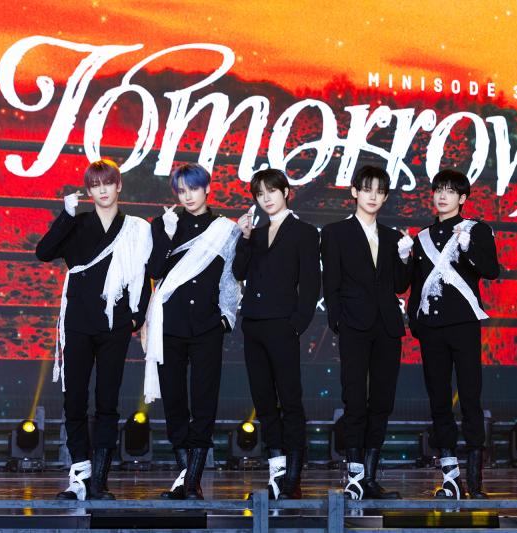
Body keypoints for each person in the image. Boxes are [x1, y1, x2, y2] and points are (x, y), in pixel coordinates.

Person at [36, 160, 152, 501]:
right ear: (88, 190)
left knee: (107, 402)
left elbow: (144, 273)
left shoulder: (134, 227)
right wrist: (66, 215)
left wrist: (136, 318)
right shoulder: (76, 222)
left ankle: (99, 481)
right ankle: (80, 477)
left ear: (119, 186)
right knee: (74, 401)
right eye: (95, 185)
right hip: (77, 322)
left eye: (108, 183)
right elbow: (43, 252)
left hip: (115, 323)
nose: (102, 190)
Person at [142, 163, 240, 500]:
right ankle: (186, 476)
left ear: (207, 189)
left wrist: (226, 318)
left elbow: (230, 278)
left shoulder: (225, 229)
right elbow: (154, 271)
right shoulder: (164, 224)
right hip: (168, 325)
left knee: (203, 400)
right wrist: (168, 237)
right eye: (181, 191)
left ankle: (193, 480)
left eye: (193, 189)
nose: (188, 197)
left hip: (206, 326)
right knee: (173, 401)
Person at [405, 169, 500, 500]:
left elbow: (492, 270)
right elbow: (416, 285)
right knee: (439, 403)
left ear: (462, 198)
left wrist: (467, 246)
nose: (442, 196)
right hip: (430, 328)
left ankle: (474, 480)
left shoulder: (476, 230)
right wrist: (415, 322)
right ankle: (450, 479)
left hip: (464, 325)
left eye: (450, 191)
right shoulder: (422, 237)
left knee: (471, 400)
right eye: (438, 190)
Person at [320, 165, 412, 500]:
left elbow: (400, 286)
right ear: (355, 192)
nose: (373, 196)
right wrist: (338, 321)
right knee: (355, 398)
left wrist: (405, 257)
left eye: (380, 191)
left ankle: (370, 478)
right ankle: (355, 477)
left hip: (388, 326)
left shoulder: (393, 236)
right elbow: (330, 282)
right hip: (354, 325)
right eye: (367, 189)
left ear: (385, 197)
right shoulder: (335, 232)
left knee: (382, 402)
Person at [232, 169, 321, 500]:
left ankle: (293, 479)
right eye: (259, 194)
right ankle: (276, 475)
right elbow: (238, 271)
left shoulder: (304, 232)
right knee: (264, 404)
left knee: (290, 402)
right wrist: (243, 238)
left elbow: (311, 284)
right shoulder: (254, 235)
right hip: (253, 325)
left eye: (271, 191)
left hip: (283, 325)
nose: (266, 198)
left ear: (286, 192)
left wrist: (296, 323)